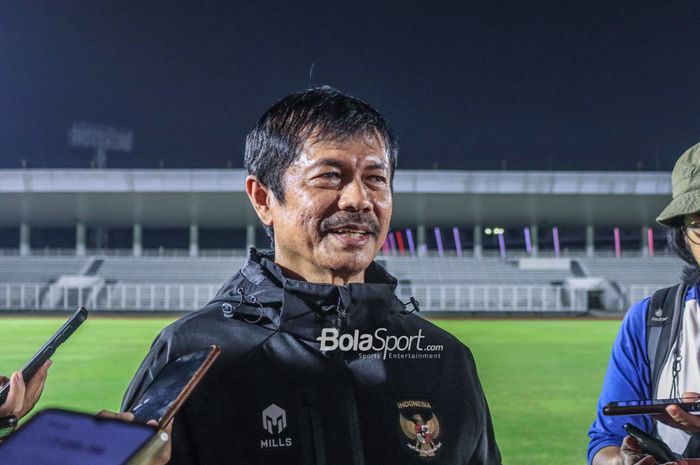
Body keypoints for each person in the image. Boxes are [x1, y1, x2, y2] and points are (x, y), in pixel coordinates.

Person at [121, 86, 501, 464]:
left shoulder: (446, 360)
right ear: (263, 199)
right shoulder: (191, 356)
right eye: (330, 176)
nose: (358, 199)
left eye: (375, 178)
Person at [589, 142, 700, 464]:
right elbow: (608, 439)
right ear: (681, 235)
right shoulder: (651, 319)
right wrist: (620, 461)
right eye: (699, 222)